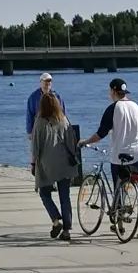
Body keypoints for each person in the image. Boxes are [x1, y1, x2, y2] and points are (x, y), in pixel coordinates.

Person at [78, 78, 138, 238]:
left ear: (112, 91)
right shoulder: (137, 107)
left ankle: (120, 225)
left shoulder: (113, 109)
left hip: (120, 156)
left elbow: (100, 134)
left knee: (119, 187)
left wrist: (85, 142)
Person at [31, 91, 81, 241]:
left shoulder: (39, 122)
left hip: (47, 165)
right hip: (64, 164)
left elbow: (35, 148)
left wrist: (33, 164)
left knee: (44, 193)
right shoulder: (63, 120)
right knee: (64, 196)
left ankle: (55, 219)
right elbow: (72, 143)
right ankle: (66, 230)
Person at [25, 73, 63, 147]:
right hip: (39, 129)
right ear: (41, 82)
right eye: (46, 81)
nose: (48, 83)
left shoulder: (57, 96)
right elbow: (29, 115)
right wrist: (29, 131)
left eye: (49, 81)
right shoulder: (33, 97)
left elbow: (63, 113)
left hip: (54, 128)